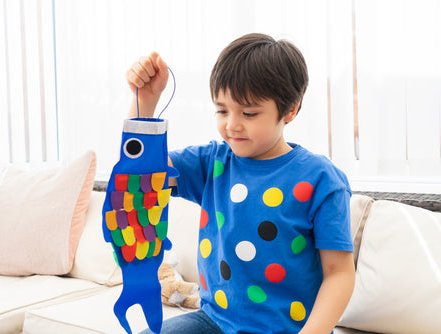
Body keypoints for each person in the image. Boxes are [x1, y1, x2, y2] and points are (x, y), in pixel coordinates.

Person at [126, 33, 355, 334]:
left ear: (290, 109)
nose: (231, 124)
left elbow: (339, 274)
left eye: (248, 113)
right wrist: (145, 103)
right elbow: (137, 176)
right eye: (222, 110)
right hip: (213, 321)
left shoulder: (321, 181)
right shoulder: (212, 163)